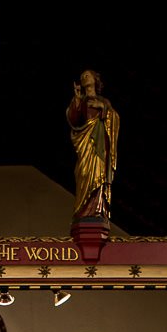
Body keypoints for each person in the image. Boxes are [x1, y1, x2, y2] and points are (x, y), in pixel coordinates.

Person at [67, 69, 119, 220]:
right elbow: (74, 121)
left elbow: (114, 119)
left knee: (99, 175)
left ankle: (97, 210)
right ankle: (83, 210)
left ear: (95, 79)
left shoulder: (104, 101)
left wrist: (103, 108)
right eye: (82, 76)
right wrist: (76, 101)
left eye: (87, 75)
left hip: (100, 147)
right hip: (86, 145)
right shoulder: (80, 100)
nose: (83, 77)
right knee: (83, 172)